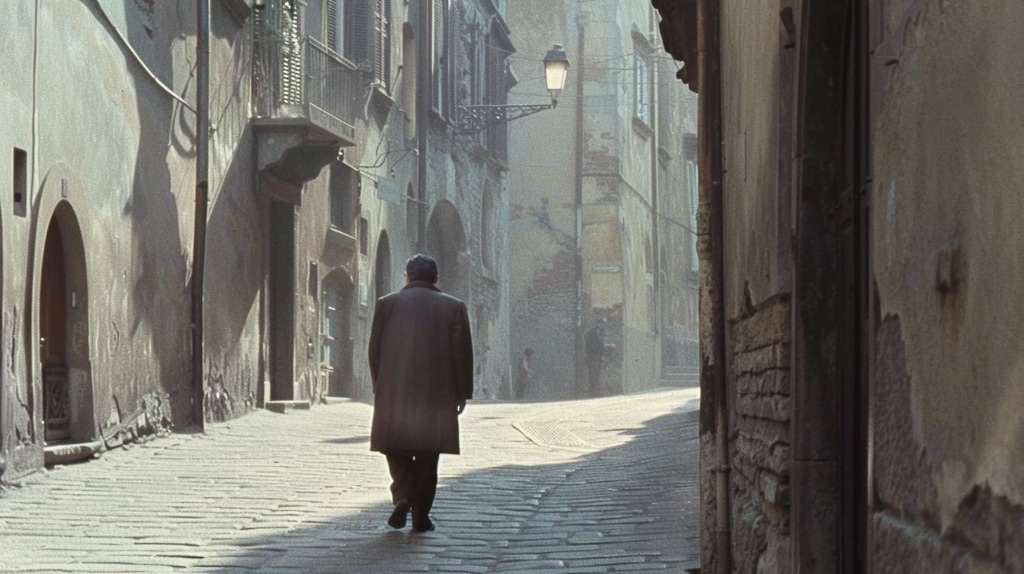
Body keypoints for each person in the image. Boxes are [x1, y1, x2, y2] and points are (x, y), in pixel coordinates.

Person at [368, 254, 474, 533]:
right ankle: (421, 517)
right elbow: (462, 355)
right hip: (437, 396)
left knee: (394, 446)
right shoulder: (454, 307)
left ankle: (403, 495)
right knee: (428, 457)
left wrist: (380, 386)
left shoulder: (386, 305)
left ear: (407, 276)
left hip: (394, 392)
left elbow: (374, 352)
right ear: (435, 278)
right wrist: (461, 393)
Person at [585, 317, 614, 396]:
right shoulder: (594, 333)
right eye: (602, 323)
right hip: (594, 356)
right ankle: (594, 392)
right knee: (594, 375)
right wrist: (606, 347)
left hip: (596, 356)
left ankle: (596, 392)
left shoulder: (599, 332)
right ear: (599, 323)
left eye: (605, 324)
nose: (604, 325)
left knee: (596, 374)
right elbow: (596, 345)